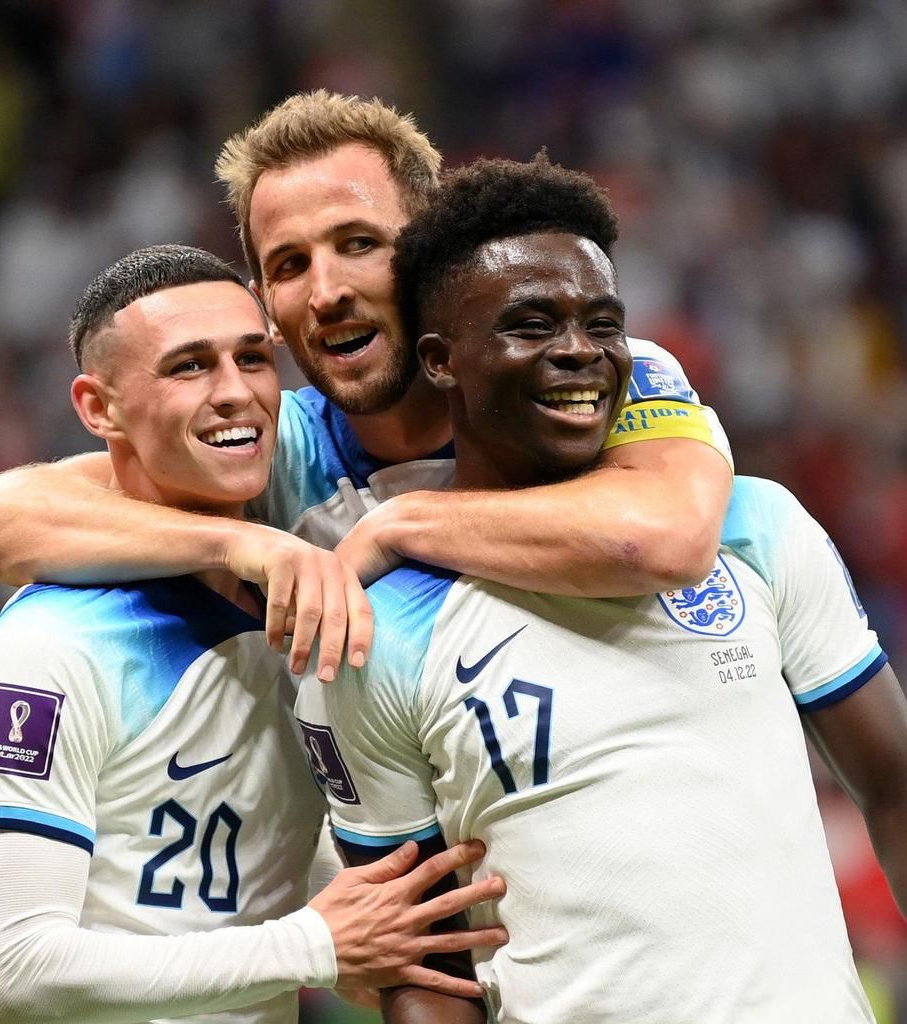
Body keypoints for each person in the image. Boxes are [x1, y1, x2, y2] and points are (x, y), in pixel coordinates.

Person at [294, 156, 907, 1023]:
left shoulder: (754, 527)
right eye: (532, 324)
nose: (579, 351)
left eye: (603, 323)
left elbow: (894, 782)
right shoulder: (375, 629)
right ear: (440, 360)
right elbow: (421, 966)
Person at [0, 91, 735, 686]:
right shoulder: (270, 454)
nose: (326, 292)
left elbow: (663, 536)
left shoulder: (580, 372)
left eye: (358, 245)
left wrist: (404, 524)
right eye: (289, 266)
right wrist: (239, 542)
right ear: (269, 311)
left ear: (430, 257)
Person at [0, 244, 508, 1024]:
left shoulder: (296, 619)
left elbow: (253, 874)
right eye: (189, 367)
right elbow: (20, 970)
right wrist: (313, 946)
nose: (235, 394)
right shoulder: (51, 645)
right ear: (98, 408)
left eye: (253, 359)